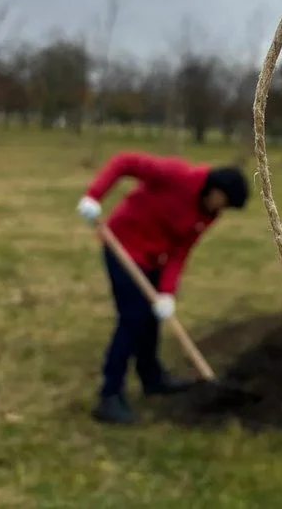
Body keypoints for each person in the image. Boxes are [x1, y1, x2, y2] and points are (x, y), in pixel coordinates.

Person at [75, 151, 249, 425]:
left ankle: (152, 378)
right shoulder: (177, 175)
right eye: (223, 202)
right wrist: (93, 196)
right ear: (216, 189)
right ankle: (109, 396)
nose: (221, 210)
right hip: (122, 245)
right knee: (132, 319)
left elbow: (180, 252)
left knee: (151, 320)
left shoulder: (207, 214)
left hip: (154, 258)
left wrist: (167, 292)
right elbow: (125, 162)